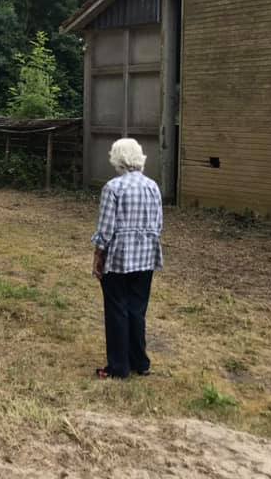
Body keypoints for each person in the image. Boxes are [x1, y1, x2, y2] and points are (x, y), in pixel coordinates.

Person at [91, 138, 163, 379]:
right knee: (137, 310)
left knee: (117, 310)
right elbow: (158, 224)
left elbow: (105, 229)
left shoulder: (113, 188)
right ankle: (140, 362)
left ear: (117, 159)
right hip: (146, 257)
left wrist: (98, 255)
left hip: (119, 258)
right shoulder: (153, 187)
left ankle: (119, 367)